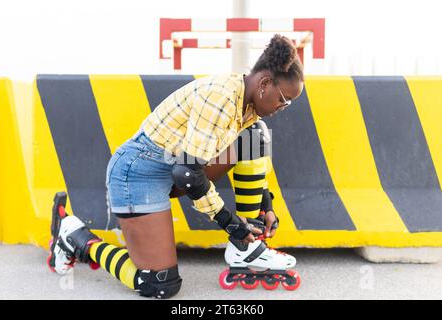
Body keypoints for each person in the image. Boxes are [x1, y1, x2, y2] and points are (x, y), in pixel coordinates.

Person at [47, 34, 304, 299]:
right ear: (264, 84)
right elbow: (189, 174)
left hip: (176, 168)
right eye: (284, 99)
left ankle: (246, 248)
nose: (283, 107)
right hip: (137, 173)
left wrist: (265, 206)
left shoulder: (248, 104)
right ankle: (75, 237)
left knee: (255, 137)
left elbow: (208, 165)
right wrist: (229, 224)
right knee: (159, 284)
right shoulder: (221, 97)